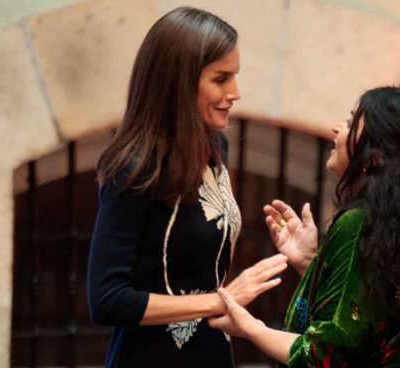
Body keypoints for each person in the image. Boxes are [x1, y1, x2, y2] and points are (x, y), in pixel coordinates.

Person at [209, 83, 400, 367]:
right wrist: (312, 264)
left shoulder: (360, 223)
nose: (337, 128)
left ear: (373, 158)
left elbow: (326, 357)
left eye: (350, 122)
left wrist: (249, 327)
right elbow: (381, 317)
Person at [86, 7, 288, 367]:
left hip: (211, 352)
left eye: (235, 77)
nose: (236, 92)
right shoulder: (134, 168)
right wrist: (222, 299)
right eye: (221, 78)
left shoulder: (214, 145)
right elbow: (107, 299)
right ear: (179, 81)